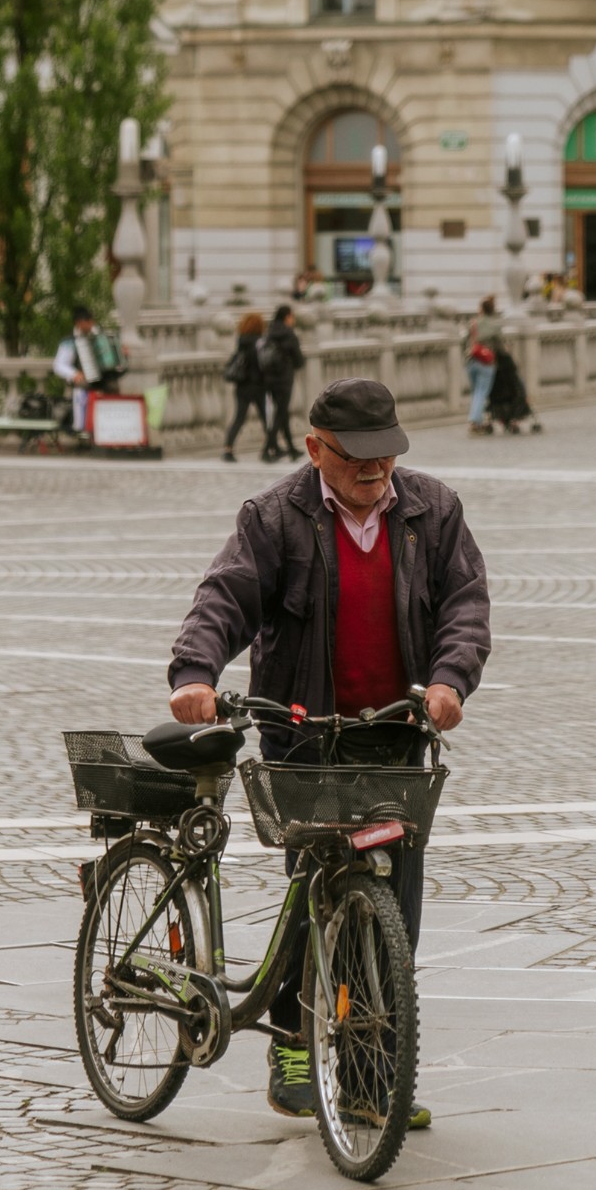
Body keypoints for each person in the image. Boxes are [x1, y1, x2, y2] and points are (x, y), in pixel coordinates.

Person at [168, 378, 490, 1126]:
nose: (374, 472)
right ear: (315, 448)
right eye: (356, 459)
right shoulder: (275, 517)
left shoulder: (432, 512)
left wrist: (449, 681)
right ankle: (290, 1038)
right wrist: (193, 674)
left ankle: (372, 1082)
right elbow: (225, 597)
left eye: (386, 457)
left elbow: (464, 606)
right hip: (304, 734)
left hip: (393, 732)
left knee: (391, 911)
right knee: (313, 895)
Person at [52, 307, 126, 432]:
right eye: (87, 322)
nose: (91, 324)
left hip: (104, 377)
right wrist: (74, 373)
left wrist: (121, 353)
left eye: (91, 321)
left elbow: (114, 354)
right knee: (82, 387)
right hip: (84, 378)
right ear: (78, 323)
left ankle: (112, 428)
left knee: (113, 386)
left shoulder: (102, 335)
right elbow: (59, 365)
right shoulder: (70, 341)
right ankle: (82, 428)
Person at [257, 305, 305, 462]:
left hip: (268, 378)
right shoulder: (288, 333)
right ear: (287, 317)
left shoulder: (269, 332)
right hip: (284, 378)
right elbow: (298, 359)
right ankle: (266, 449)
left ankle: (291, 449)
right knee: (280, 413)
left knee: (282, 413)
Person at [221, 311, 270, 461]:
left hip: (241, 386)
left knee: (238, 418)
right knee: (267, 419)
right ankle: (269, 448)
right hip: (258, 386)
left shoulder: (241, 342)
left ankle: (228, 449)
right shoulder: (259, 343)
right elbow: (261, 365)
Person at [463, 297, 503, 433]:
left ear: (481, 309)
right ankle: (475, 421)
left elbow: (464, 340)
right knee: (482, 392)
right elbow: (500, 345)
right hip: (486, 363)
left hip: (472, 361)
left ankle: (477, 420)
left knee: (476, 392)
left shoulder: (473, 323)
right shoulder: (494, 325)